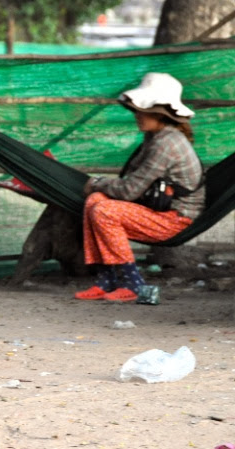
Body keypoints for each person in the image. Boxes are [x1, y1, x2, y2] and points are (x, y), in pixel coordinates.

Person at [74, 72, 205, 302]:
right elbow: (133, 179)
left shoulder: (166, 144)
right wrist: (100, 187)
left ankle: (133, 284)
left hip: (174, 218)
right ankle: (106, 280)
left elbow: (129, 190)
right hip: (156, 209)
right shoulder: (156, 136)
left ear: (159, 114)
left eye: (141, 111)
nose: (136, 115)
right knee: (94, 201)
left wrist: (96, 182)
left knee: (104, 210)